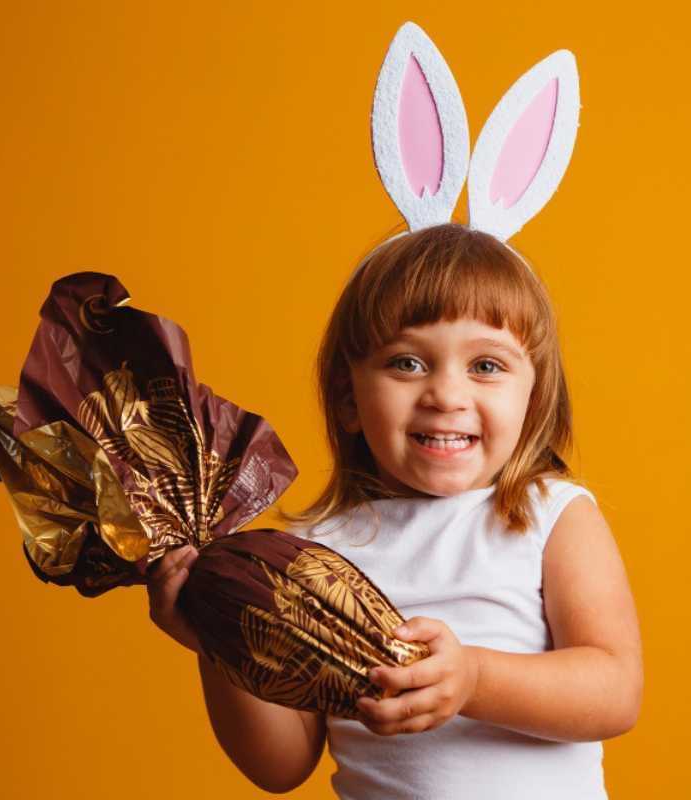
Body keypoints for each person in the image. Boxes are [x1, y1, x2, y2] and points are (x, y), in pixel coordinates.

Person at [146, 20, 642, 799]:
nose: (447, 393)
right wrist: (219, 639)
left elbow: (614, 690)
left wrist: (472, 677)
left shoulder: (550, 516)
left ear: (533, 394)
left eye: (486, 365)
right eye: (407, 362)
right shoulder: (314, 552)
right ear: (348, 396)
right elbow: (282, 766)